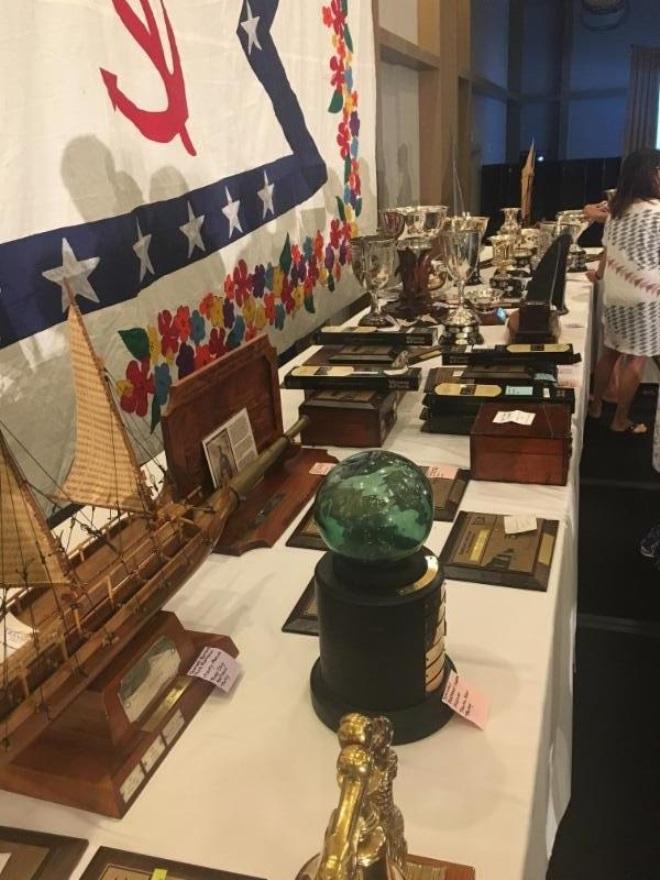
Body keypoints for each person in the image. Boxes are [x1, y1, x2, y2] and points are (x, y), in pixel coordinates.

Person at [587, 148, 660, 434]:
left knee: (610, 353)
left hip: (616, 293)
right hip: (646, 296)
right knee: (636, 359)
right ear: (651, 175)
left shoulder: (618, 211)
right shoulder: (657, 213)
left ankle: (595, 407)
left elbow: (608, 251)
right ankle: (620, 419)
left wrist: (600, 274)